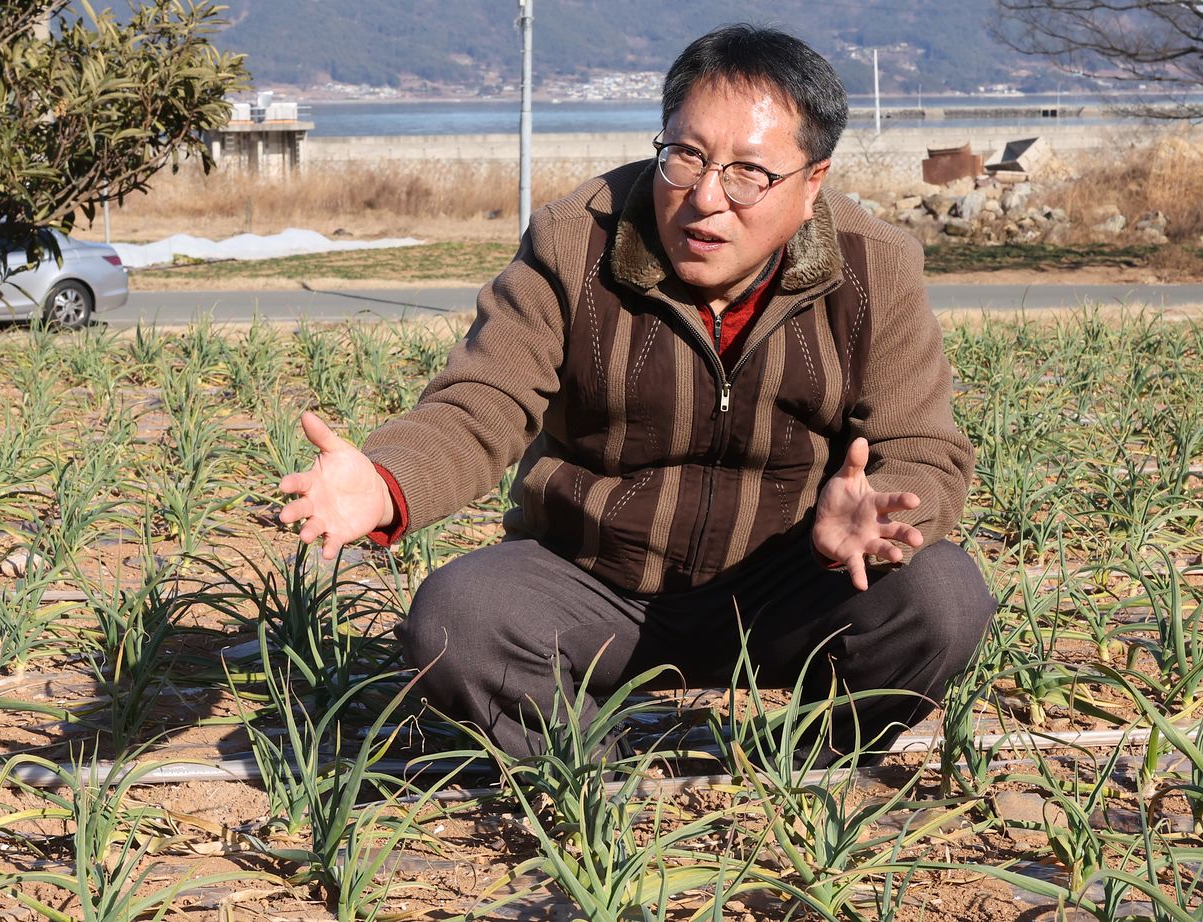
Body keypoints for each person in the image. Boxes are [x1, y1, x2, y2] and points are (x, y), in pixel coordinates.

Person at [279, 24, 996, 765]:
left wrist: (887, 508)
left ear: (812, 181)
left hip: (790, 583)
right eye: (685, 157)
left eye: (749, 172)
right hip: (595, 583)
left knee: (940, 599)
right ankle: (596, 773)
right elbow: (481, 400)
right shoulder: (574, 242)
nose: (705, 198)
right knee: (458, 620)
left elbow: (919, 444)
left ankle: (812, 762)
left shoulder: (872, 266)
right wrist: (387, 479)